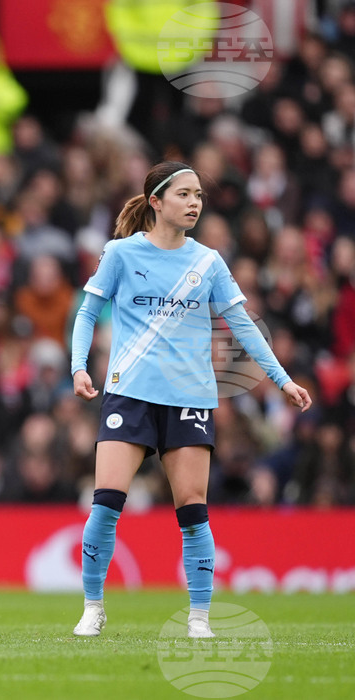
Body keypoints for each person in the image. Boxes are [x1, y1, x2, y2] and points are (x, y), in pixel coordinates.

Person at [69, 162, 312, 639]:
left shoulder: (208, 261)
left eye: (198, 194)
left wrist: (281, 379)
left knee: (193, 510)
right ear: (156, 202)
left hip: (189, 397)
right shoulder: (120, 253)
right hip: (130, 394)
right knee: (106, 504)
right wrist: (79, 366)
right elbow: (87, 312)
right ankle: (92, 607)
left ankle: (199, 617)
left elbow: (243, 324)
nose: (195, 203)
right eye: (184, 194)